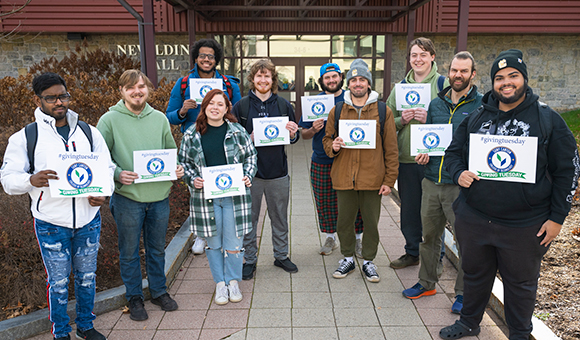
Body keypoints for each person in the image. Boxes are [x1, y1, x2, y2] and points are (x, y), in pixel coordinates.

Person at [439, 49, 579, 340]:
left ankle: (518, 332)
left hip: (524, 224)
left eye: (513, 76)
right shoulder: (477, 116)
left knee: (521, 283)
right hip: (476, 218)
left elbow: (569, 170)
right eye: (500, 77)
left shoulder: (547, 120)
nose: (506, 82)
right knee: (475, 276)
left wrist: (557, 219)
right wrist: (458, 173)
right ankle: (468, 323)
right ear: (492, 82)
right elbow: (453, 153)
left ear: (524, 79)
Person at [0, 72, 115, 340]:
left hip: (88, 220)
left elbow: (107, 168)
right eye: (51, 98)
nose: (59, 102)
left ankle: (86, 326)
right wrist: (31, 179)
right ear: (38, 100)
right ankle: (61, 332)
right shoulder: (26, 137)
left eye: (62, 95)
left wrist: (103, 193)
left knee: (87, 278)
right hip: (51, 222)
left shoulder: (89, 132)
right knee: (59, 283)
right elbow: (7, 180)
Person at [97, 70, 184, 322]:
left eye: (141, 86)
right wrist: (116, 173)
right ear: (121, 91)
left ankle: (158, 291)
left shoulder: (158, 119)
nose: (137, 91)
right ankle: (134, 297)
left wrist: (175, 167)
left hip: (159, 197)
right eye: (131, 88)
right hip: (128, 198)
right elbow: (100, 157)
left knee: (157, 249)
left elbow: (170, 150)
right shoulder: (109, 120)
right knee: (129, 251)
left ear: (148, 89)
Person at [402, 52, 482, 315]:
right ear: (449, 72)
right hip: (431, 180)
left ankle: (463, 293)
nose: (458, 75)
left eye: (464, 71)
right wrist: (423, 152)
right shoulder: (436, 104)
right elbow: (430, 139)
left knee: (464, 241)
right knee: (429, 237)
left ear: (473, 74)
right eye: (454, 70)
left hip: (460, 185)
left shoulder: (481, 105)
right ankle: (427, 282)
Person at [322, 59, 399, 283]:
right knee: (344, 221)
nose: (358, 83)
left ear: (368, 83)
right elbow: (327, 139)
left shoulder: (383, 111)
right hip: (344, 177)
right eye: (354, 80)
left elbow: (391, 149)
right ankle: (347, 258)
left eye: (362, 79)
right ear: (348, 84)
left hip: (372, 178)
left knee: (371, 222)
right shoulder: (337, 110)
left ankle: (368, 261)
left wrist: (389, 179)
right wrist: (333, 146)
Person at [178, 89, 257, 305]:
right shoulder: (192, 134)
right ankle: (220, 284)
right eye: (211, 103)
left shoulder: (237, 131)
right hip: (205, 198)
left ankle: (233, 281)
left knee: (234, 243)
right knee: (213, 243)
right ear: (204, 107)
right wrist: (192, 178)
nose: (215, 107)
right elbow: (183, 163)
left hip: (234, 198)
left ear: (226, 108)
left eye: (220, 104)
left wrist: (248, 175)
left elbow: (251, 156)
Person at [166, 38, 242, 255]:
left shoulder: (229, 84)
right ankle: (201, 235)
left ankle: (224, 233)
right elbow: (170, 117)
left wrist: (223, 106)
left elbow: (238, 115)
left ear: (216, 59)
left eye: (210, 56)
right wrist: (182, 110)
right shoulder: (183, 84)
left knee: (223, 187)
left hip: (222, 141)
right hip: (195, 144)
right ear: (196, 58)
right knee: (197, 189)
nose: (206, 59)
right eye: (202, 55)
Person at [232, 59, 300, 280]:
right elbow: (232, 141)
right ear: (252, 79)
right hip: (250, 175)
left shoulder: (283, 105)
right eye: (259, 76)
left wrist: (293, 133)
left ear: (273, 80)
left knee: (279, 217)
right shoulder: (241, 106)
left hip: (278, 172)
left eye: (267, 76)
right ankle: (249, 260)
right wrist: (247, 139)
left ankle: (281, 255)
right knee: (249, 219)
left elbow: (294, 137)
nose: (263, 80)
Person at [386, 37, 449, 269]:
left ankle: (436, 257)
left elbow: (456, 120)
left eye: (423, 54)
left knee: (435, 213)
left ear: (432, 57)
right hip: (408, 159)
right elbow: (386, 123)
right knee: (410, 211)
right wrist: (401, 119)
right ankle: (412, 251)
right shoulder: (400, 88)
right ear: (409, 59)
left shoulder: (445, 85)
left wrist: (429, 118)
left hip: (436, 160)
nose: (418, 59)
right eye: (414, 55)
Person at [299, 63, 365, 257]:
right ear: (322, 81)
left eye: (334, 76)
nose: (331, 80)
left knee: (355, 201)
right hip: (322, 159)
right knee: (325, 201)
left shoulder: (352, 98)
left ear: (340, 78)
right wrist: (313, 129)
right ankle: (330, 237)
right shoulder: (314, 102)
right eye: (327, 77)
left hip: (349, 159)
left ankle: (358, 239)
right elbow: (304, 134)